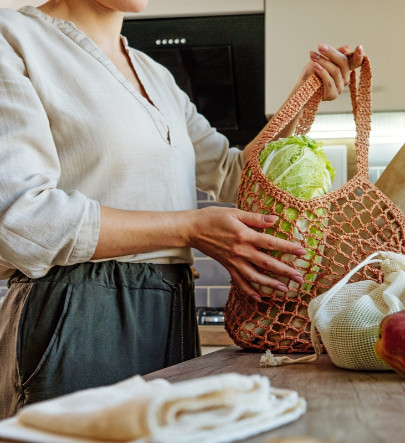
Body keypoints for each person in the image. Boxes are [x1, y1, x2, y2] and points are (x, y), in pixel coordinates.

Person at [0, 0, 365, 418]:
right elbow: (20, 220)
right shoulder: (13, 38)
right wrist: (189, 229)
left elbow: (235, 175)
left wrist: (302, 95)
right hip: (74, 313)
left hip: (170, 308)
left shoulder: (155, 75)